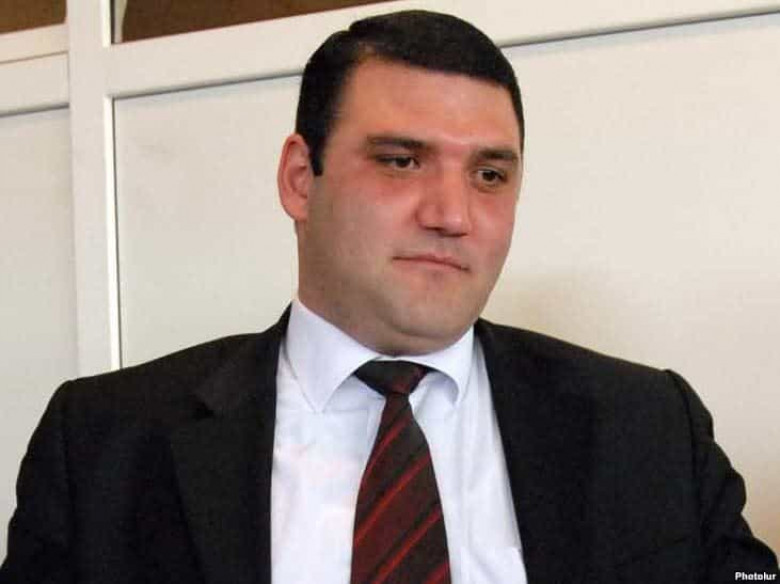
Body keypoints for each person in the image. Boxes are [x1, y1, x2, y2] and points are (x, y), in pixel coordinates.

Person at [1, 9, 777, 584]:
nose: (452, 214)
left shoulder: (649, 426)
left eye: (490, 174)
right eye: (402, 162)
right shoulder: (104, 442)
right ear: (300, 180)